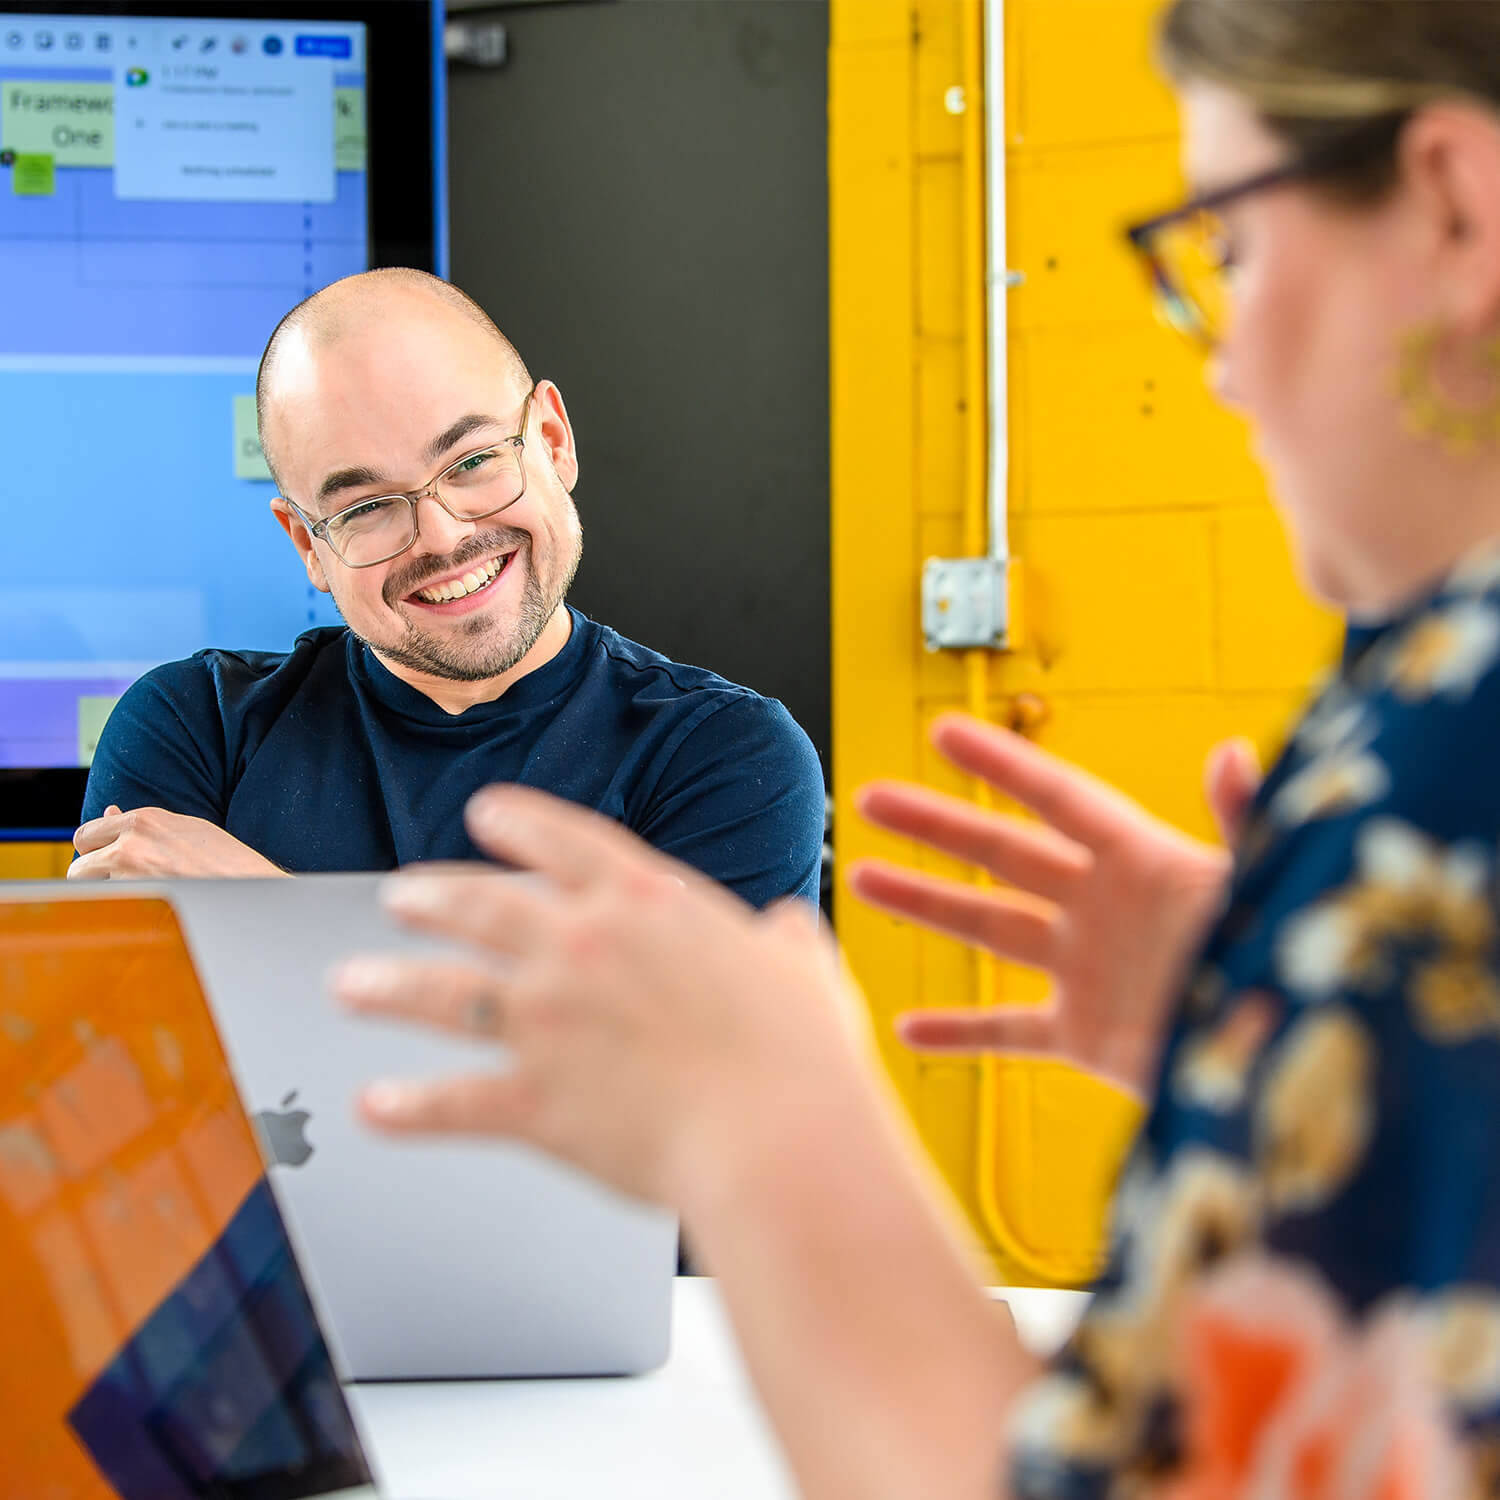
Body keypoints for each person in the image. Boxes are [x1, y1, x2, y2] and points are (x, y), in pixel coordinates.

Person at [334, 3, 1500, 1495]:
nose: (1219, 364)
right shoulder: (1416, 707)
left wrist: (760, 1123)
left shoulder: (1454, 761)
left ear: (1456, 210)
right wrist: (1304, 1069)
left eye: (1235, 251)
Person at [69, 269, 824, 904]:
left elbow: (672, 1077)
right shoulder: (195, 731)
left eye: (471, 463)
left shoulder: (724, 758)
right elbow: (134, 1071)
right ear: (308, 544)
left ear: (552, 442)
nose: (442, 536)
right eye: (366, 508)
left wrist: (260, 908)